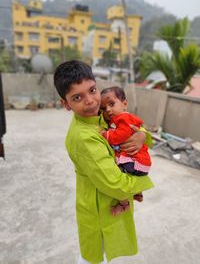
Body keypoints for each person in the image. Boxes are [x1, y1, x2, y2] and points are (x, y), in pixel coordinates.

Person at [54, 60, 154, 264]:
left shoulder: (100, 113)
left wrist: (142, 135)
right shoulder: (84, 138)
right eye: (78, 97)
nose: (90, 101)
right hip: (99, 208)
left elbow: (132, 122)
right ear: (66, 104)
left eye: (92, 90)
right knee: (93, 257)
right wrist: (143, 184)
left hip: (110, 201)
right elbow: (116, 185)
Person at [100, 86, 152, 215]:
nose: (108, 110)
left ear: (125, 104)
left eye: (111, 104)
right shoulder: (120, 120)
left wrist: (106, 135)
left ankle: (123, 204)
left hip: (135, 161)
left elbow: (120, 135)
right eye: (103, 108)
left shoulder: (123, 119)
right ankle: (138, 193)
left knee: (120, 177)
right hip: (140, 162)